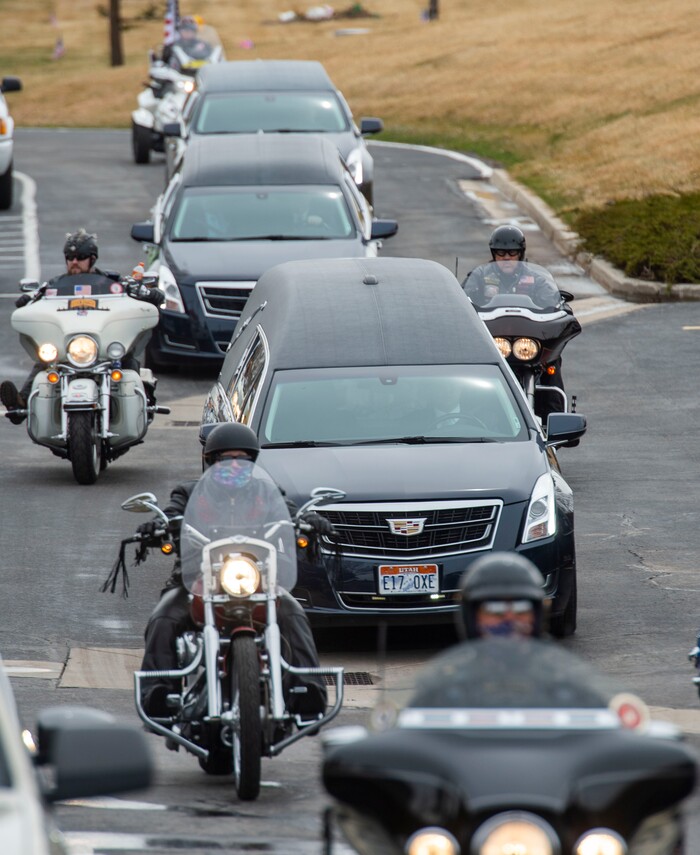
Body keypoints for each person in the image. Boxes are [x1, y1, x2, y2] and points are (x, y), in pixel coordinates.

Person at [138, 422, 333, 720]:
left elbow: (289, 510)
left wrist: (309, 520)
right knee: (163, 618)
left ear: (252, 462)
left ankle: (306, 692)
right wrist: (160, 524)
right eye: (224, 459)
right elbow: (174, 511)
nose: (233, 466)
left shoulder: (266, 492)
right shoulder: (190, 492)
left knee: (294, 616)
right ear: (210, 461)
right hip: (197, 582)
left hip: (257, 581)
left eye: (241, 459)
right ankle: (159, 695)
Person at [0, 229, 163, 424]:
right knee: (44, 361)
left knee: (127, 357)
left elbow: (157, 297)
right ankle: (22, 403)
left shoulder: (114, 283)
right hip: (68, 345)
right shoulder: (53, 286)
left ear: (92, 259)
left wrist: (143, 290)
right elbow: (25, 302)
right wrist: (29, 296)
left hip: (103, 344)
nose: (74, 262)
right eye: (70, 257)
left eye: (81, 257)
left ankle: (142, 404)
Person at [462, 225, 562, 309]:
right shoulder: (479, 275)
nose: (506, 258)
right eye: (501, 252)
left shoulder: (534, 279)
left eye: (512, 252)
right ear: (494, 254)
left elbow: (553, 303)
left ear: (520, 254)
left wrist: (561, 305)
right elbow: (461, 299)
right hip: (487, 329)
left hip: (526, 330)